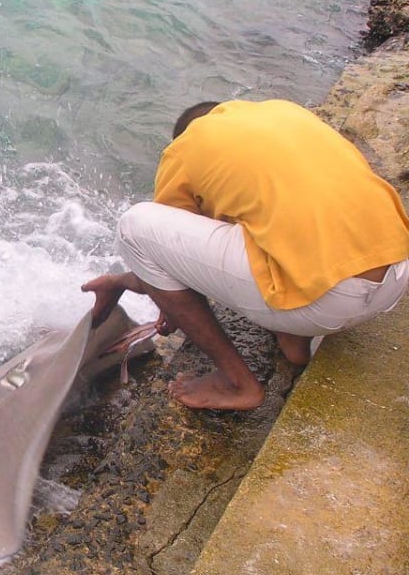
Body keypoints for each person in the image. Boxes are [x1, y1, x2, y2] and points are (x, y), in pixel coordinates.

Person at [81, 99, 409, 410]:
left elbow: (167, 261)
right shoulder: (284, 113)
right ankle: (294, 338)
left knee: (134, 227)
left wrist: (150, 293)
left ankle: (237, 383)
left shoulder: (186, 146)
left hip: (332, 300)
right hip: (395, 272)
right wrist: (122, 281)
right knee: (270, 221)